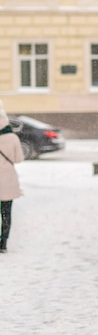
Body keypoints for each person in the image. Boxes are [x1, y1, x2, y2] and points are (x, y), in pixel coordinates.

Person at [0, 100, 25, 253]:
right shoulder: (12, 138)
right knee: (6, 213)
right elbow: (18, 159)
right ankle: (3, 243)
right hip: (8, 180)